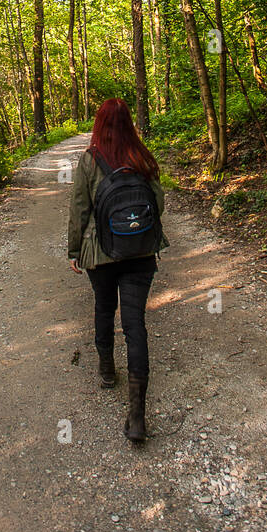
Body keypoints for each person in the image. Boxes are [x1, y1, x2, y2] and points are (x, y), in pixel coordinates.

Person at [67, 97, 168, 443]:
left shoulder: (89, 161)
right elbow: (159, 204)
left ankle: (107, 369)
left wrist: (75, 250)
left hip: (101, 251)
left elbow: (79, 209)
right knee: (135, 322)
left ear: (98, 124)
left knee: (104, 307)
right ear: (128, 124)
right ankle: (137, 416)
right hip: (140, 251)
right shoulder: (142, 157)